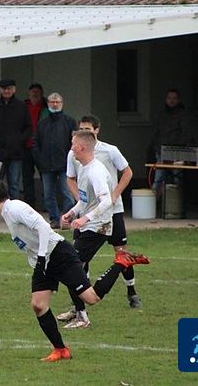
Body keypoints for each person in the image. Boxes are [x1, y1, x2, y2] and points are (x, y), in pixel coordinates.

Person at [0, 179, 149, 362]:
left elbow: (43, 227)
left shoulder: (15, 208)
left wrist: (40, 257)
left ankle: (121, 262)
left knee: (91, 298)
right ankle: (61, 350)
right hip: (44, 262)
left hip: (58, 254)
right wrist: (38, 260)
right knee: (38, 305)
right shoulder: (7, 212)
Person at [63, 115, 141, 313]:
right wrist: (79, 206)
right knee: (79, 259)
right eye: (81, 129)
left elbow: (127, 172)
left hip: (108, 213)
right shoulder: (75, 154)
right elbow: (70, 179)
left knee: (119, 251)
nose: (84, 132)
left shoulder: (108, 152)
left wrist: (114, 195)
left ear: (96, 130)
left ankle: (131, 292)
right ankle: (80, 304)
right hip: (88, 214)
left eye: (87, 129)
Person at [57, 130, 121, 329]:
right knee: (73, 267)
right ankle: (79, 313)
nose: (71, 147)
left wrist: (85, 218)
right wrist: (72, 213)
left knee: (70, 266)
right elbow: (85, 200)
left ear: (81, 147)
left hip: (98, 227)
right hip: (90, 226)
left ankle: (82, 317)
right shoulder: (84, 167)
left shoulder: (96, 171)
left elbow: (106, 201)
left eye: (73, 144)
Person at [32, 92, 77, 228]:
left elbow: (75, 143)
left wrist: (72, 160)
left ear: (62, 104)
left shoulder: (70, 122)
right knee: (48, 195)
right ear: (48, 104)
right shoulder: (42, 124)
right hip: (46, 165)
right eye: (52, 102)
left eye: (57, 102)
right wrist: (39, 160)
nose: (55, 104)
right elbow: (35, 143)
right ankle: (54, 220)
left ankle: (66, 219)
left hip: (65, 165)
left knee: (68, 193)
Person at [0, 78, 32, 199]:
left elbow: (28, 128)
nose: (6, 91)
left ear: (14, 90)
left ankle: (13, 209)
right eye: (4, 89)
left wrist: (19, 142)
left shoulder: (21, 106)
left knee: (14, 185)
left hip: (15, 153)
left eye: (9, 88)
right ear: (0, 90)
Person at [148, 88, 193, 196]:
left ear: (178, 100)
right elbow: (155, 132)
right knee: (158, 178)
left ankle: (177, 201)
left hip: (177, 152)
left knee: (177, 178)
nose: (171, 100)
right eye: (169, 98)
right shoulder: (161, 115)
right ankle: (153, 202)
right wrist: (156, 147)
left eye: (174, 98)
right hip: (161, 150)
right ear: (166, 99)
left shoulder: (183, 115)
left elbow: (186, 133)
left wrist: (181, 147)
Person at [23, 83, 46, 209]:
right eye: (33, 92)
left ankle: (46, 204)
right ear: (29, 93)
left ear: (41, 94)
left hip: (41, 147)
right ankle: (29, 205)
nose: (35, 94)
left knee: (45, 176)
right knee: (27, 177)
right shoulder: (23, 106)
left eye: (37, 92)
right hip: (26, 146)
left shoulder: (47, 107)